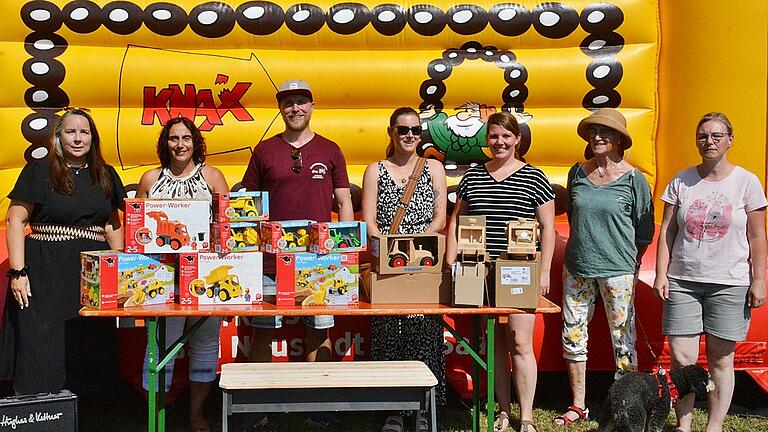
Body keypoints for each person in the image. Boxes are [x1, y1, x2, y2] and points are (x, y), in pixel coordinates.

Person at [240, 79, 354, 429]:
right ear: (280, 108)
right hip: (270, 260)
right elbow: (249, 203)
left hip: (318, 259)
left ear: (312, 105)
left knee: (319, 331)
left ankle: (317, 405)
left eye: (301, 102)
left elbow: (344, 202)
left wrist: (344, 251)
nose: (295, 109)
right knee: (264, 331)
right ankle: (255, 406)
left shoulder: (331, 149)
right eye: (288, 103)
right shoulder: (263, 150)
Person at [654, 112, 766, 432]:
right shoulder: (681, 180)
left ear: (730, 140)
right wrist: (662, 273)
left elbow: (758, 235)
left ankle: (714, 425)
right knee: (682, 358)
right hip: (684, 280)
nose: (709, 142)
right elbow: (668, 232)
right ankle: (684, 424)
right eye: (703, 136)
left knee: (721, 359)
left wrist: (759, 280)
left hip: (729, 282)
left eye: (717, 136)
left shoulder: (747, 182)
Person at [1, 108, 125, 395]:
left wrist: (119, 267)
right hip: (45, 269)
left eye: (84, 132)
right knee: (42, 337)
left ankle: (84, 406)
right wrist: (18, 272)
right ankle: (38, 404)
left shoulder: (105, 175)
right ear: (58, 137)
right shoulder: (39, 171)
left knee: (87, 336)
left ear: (93, 138)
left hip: (90, 271)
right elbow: (16, 220)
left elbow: (111, 224)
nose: (78, 139)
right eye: (71, 132)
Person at [446, 111, 555, 432]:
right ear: (486, 140)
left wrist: (545, 270)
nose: (499, 142)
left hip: (520, 269)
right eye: (494, 136)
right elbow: (457, 219)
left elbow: (547, 227)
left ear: (517, 140)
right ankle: (503, 411)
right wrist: (452, 259)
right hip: (476, 269)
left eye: (506, 136)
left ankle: (527, 417)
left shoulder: (534, 177)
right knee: (493, 342)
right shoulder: (473, 176)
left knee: (520, 341)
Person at [555, 108, 655, 426]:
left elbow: (644, 229)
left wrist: (630, 261)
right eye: (594, 131)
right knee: (573, 336)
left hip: (619, 269)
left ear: (619, 140)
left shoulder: (634, 179)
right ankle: (578, 405)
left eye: (605, 132)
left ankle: (625, 406)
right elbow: (574, 215)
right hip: (577, 267)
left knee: (623, 340)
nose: (598, 137)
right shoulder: (577, 173)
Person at [136, 116, 228, 432]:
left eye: (186, 138)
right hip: (162, 277)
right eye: (173, 138)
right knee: (160, 348)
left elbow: (226, 227)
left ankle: (196, 416)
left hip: (206, 276)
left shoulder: (214, 177)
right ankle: (156, 417)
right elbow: (139, 232)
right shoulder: (150, 180)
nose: (180, 144)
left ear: (195, 142)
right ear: (165, 143)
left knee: (204, 345)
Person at [361, 107, 448, 432]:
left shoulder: (433, 168)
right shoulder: (376, 170)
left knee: (424, 332)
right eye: (403, 129)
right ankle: (393, 409)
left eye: (415, 130)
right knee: (388, 336)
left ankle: (424, 409)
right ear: (391, 132)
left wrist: (414, 246)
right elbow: (369, 219)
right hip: (387, 262)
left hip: (424, 260)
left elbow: (440, 218)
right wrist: (391, 248)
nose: (410, 135)